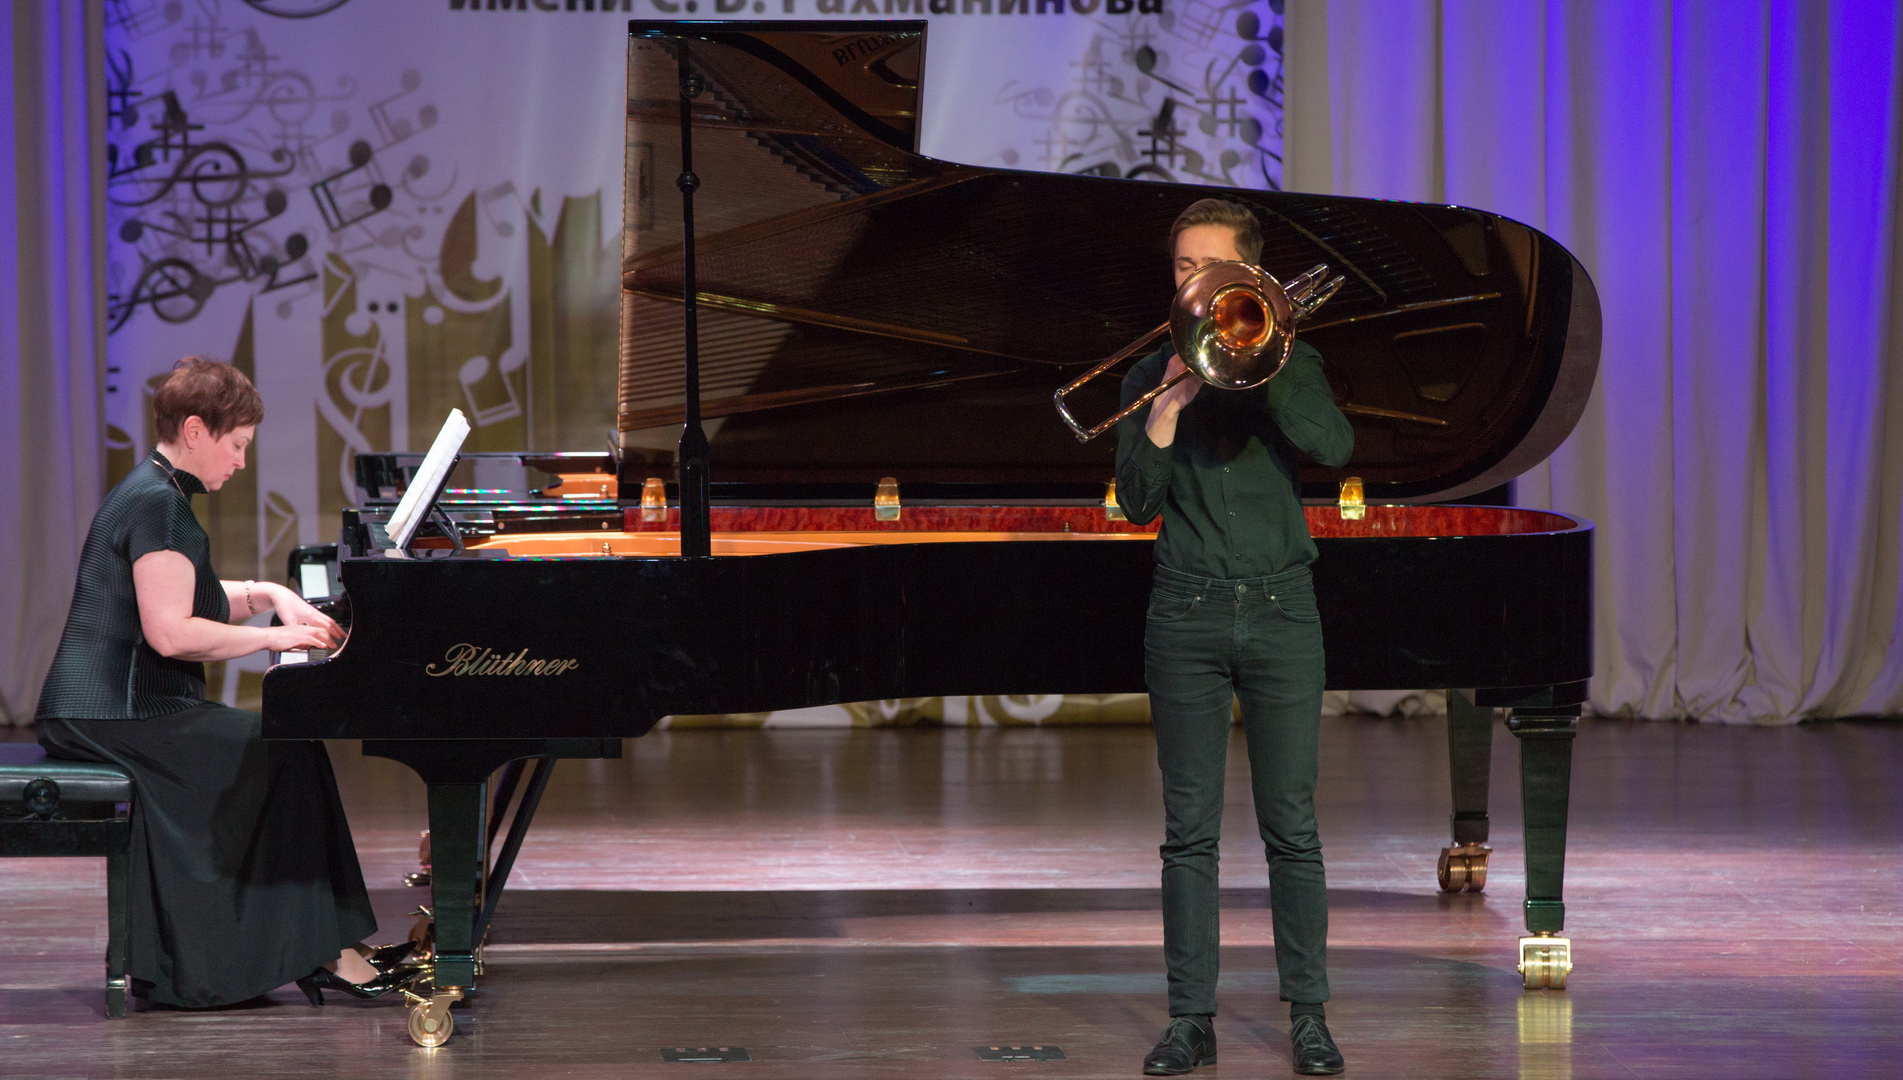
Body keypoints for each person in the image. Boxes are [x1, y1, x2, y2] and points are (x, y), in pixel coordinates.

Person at [35, 358, 416, 1009]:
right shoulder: (159, 506)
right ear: (194, 430)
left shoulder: (154, 493)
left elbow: (196, 596)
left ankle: (327, 943)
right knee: (285, 749)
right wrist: (273, 637)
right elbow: (171, 634)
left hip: (121, 707)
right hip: (112, 715)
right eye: (236, 445)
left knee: (288, 749)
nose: (241, 462)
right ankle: (321, 949)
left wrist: (271, 595)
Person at [1114, 200, 1354, 1077]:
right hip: (1185, 613)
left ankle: (1309, 1019)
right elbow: (1136, 502)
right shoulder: (1148, 373)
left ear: (1249, 279)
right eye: (1184, 268)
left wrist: (1268, 360)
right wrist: (1168, 406)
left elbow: (1334, 445)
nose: (1196, 283)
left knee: (1291, 826)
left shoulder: (1296, 361)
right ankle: (1190, 1020)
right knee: (1188, 833)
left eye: (1213, 269)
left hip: (1282, 610)